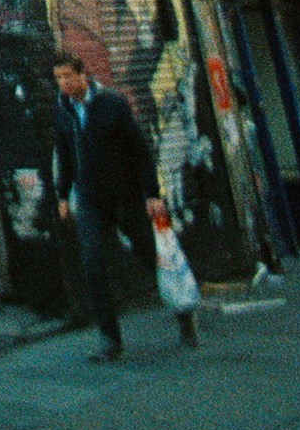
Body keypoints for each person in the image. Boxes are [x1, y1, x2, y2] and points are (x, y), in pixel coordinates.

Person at [50, 52, 197, 359]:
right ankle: (109, 339)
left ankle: (184, 315)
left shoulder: (111, 104)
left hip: (124, 195)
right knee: (92, 263)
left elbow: (138, 149)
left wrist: (151, 193)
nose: (63, 83)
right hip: (90, 198)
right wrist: (62, 194)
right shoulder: (62, 110)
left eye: (67, 76)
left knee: (151, 255)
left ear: (82, 74)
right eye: (58, 78)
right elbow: (64, 153)